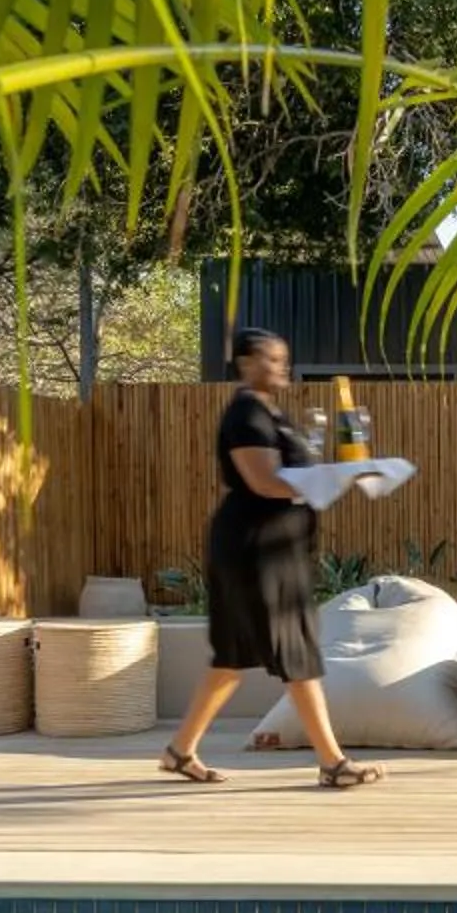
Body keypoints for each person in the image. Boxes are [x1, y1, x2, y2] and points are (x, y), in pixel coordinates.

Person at [160, 328, 385, 789]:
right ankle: (333, 763)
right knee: (295, 652)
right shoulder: (245, 415)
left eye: (284, 357)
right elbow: (263, 482)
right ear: (245, 363)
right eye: (271, 358)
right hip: (253, 551)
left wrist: (339, 472)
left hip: (274, 550)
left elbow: (298, 473)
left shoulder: (272, 413)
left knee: (232, 658)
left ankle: (179, 751)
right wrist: (328, 480)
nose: (282, 365)